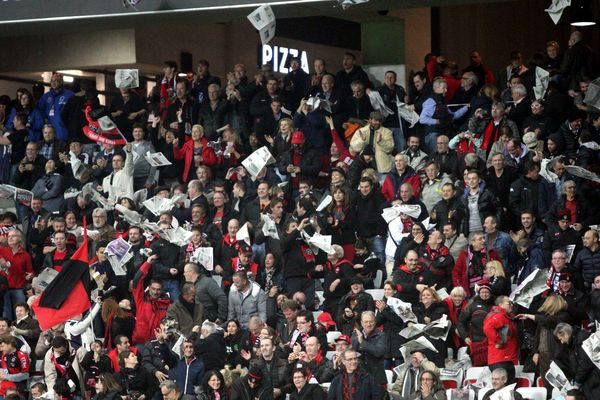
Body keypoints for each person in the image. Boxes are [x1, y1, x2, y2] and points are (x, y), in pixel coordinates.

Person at [131, 255, 171, 345]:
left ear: (162, 290)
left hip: (157, 342)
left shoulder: (167, 304)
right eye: (153, 289)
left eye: (158, 289)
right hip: (140, 341)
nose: (155, 292)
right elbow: (136, 281)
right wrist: (147, 263)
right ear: (149, 288)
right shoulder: (141, 299)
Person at [482, 296, 518, 384]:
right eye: (509, 303)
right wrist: (499, 340)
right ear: (500, 305)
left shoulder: (506, 316)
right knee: (503, 390)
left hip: (506, 358)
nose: (511, 305)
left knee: (509, 388)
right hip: (500, 359)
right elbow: (487, 328)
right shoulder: (499, 316)